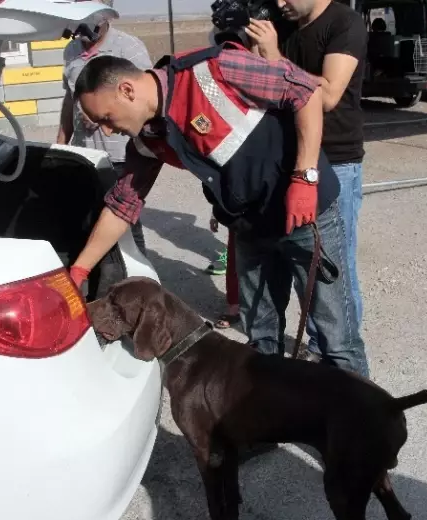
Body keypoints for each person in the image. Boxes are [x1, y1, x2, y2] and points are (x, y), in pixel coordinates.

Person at [67, 40, 369, 377]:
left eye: (106, 118)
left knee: (335, 337)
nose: (108, 130)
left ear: (126, 90)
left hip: (304, 213)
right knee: (262, 337)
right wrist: (79, 270)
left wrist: (305, 175)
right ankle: (273, 419)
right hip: (250, 229)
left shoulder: (216, 71)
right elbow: (123, 206)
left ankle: (361, 423)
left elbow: (306, 92)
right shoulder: (147, 138)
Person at [245, 0, 368, 364]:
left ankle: (334, 355)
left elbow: (328, 95)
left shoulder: (345, 23)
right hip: (293, 159)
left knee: (334, 275)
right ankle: (320, 348)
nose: (279, 2)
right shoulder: (284, 25)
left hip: (336, 160)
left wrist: (274, 56)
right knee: (301, 266)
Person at [56, 0, 152, 256]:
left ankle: (139, 278)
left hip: (120, 154)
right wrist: (60, 146)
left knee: (125, 222)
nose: (86, 34)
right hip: (84, 153)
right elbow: (69, 100)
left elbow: (144, 100)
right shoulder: (71, 50)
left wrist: (103, 115)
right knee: (89, 217)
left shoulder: (128, 47)